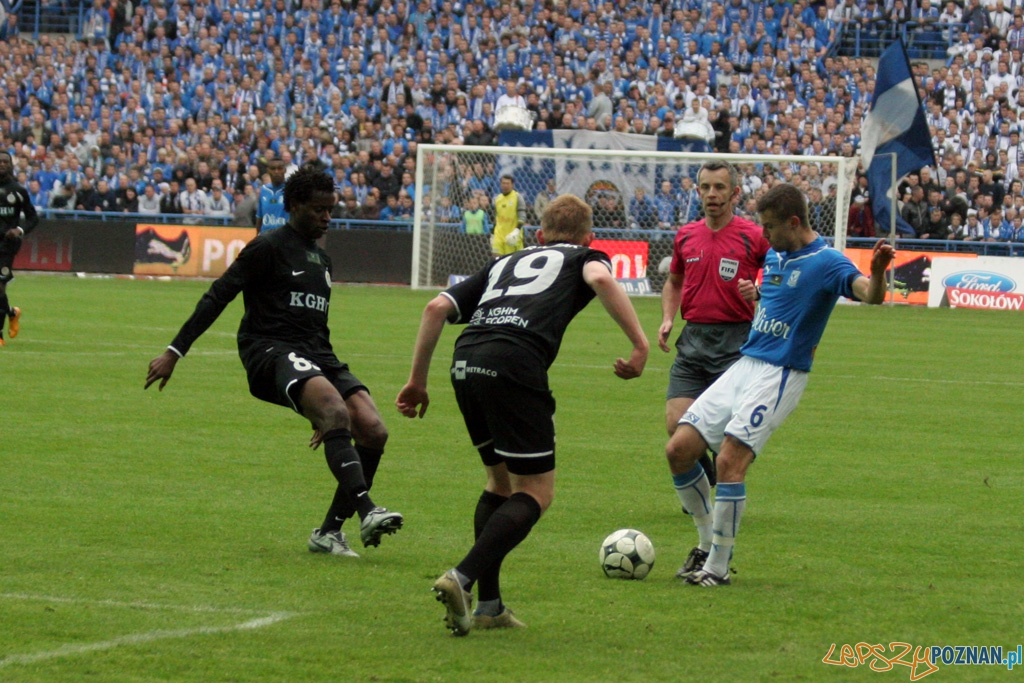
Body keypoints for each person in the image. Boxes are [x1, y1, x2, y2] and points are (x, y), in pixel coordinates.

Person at [396, 194, 648, 635]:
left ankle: (489, 608)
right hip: (514, 361)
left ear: (538, 234)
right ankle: (462, 576)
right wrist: (640, 345)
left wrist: (417, 382)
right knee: (536, 491)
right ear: (590, 236)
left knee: (498, 482)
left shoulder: (504, 262)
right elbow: (602, 281)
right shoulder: (586, 255)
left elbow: (436, 307)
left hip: (466, 359)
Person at [145, 166, 403, 557]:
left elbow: (318, 325)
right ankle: (367, 510)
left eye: (331, 209)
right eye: (318, 209)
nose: (327, 217)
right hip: (269, 350)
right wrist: (174, 351)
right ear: (295, 205)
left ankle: (328, 534)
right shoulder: (267, 247)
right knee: (336, 412)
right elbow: (219, 295)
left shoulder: (323, 260)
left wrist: (322, 402)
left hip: (317, 354)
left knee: (373, 429)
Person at [667, 183, 894, 586]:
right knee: (679, 449)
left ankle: (717, 569)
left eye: (770, 227)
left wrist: (876, 273)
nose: (764, 236)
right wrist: (756, 293)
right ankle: (705, 545)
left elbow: (870, 295)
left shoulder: (828, 262)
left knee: (729, 462)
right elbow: (776, 298)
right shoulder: (775, 254)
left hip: (781, 373)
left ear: (794, 222)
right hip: (746, 364)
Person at [658, 160, 769, 578]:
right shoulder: (686, 235)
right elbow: (674, 280)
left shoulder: (754, 237)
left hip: (735, 344)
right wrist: (669, 318)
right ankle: (707, 494)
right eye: (705, 186)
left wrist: (757, 290)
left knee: (725, 443)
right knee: (675, 425)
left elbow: (778, 274)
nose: (712, 194)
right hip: (694, 341)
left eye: (720, 187)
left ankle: (712, 532)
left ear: (734, 194)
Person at [0, 151, 39, 346]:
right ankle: (12, 313)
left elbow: (33, 218)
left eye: (5, 161)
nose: (2, 164)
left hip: (7, 245)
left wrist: (19, 229)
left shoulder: (18, 190)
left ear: (10, 165)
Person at [492, 174, 525, 258]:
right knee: (496, 259)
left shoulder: (517, 197)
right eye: (503, 183)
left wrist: (516, 230)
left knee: (511, 261)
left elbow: (522, 216)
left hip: (512, 236)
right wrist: (492, 234)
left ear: (512, 185)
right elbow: (496, 217)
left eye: (508, 183)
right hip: (499, 235)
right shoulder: (497, 199)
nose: (505, 185)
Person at [256, 158, 288, 232]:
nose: (276, 172)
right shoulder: (264, 189)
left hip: (284, 237)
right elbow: (259, 217)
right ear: (268, 171)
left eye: (280, 168)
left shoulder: (291, 189)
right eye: (273, 169)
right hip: (266, 237)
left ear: (285, 170)